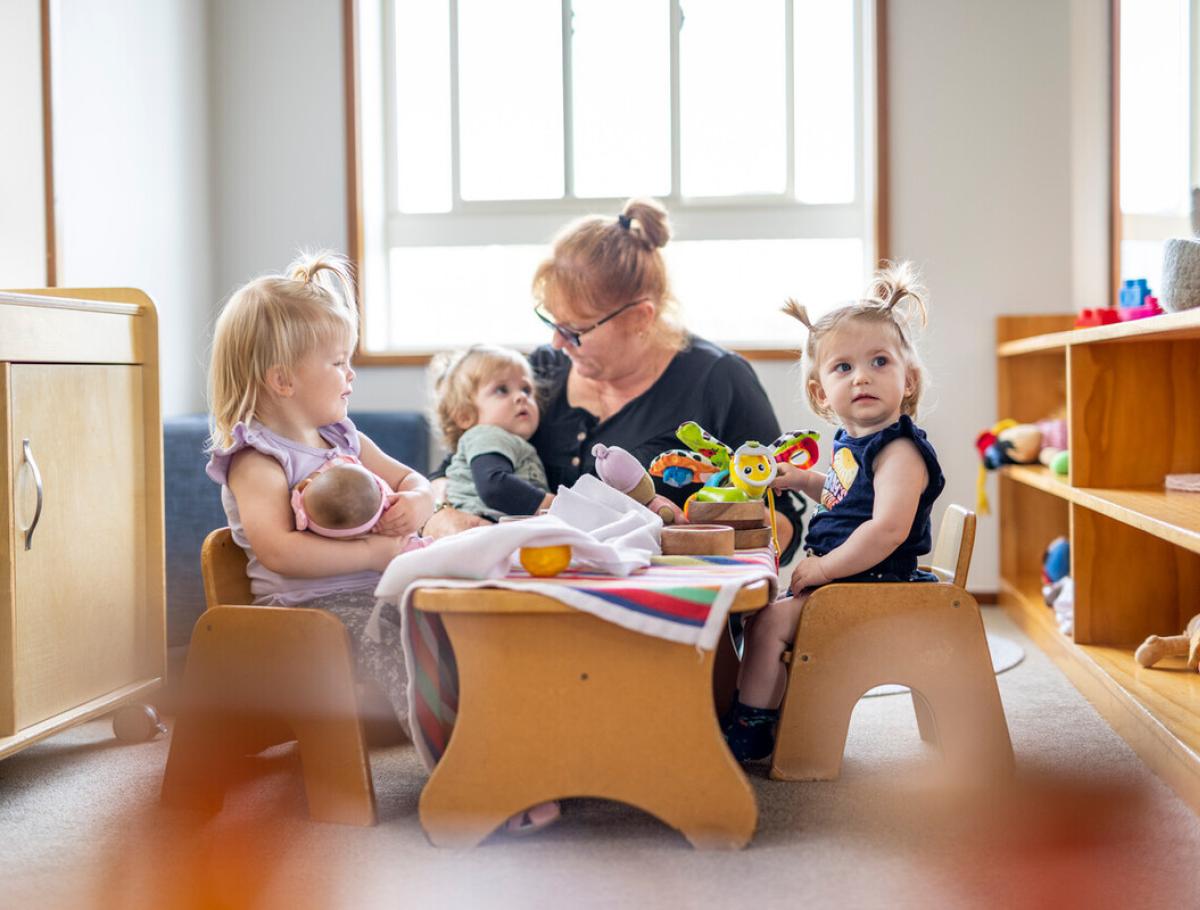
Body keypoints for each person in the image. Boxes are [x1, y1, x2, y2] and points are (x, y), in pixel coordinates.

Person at [422, 197, 802, 560]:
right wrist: (440, 513)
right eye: (552, 323)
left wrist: (688, 535)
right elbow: (454, 466)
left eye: (575, 331)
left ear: (640, 317)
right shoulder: (541, 373)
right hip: (538, 587)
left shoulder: (719, 381)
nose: (557, 342)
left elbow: (781, 520)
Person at [724, 262, 946, 762]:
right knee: (755, 614)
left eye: (879, 362)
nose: (862, 376)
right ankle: (764, 708)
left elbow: (886, 528)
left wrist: (823, 567)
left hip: (875, 586)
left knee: (767, 625)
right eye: (843, 367)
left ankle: (750, 728)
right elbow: (848, 500)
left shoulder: (900, 451)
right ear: (822, 392)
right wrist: (803, 480)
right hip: (856, 578)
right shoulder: (856, 443)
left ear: (908, 380)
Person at [206, 251, 433, 733]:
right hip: (302, 615)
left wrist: (417, 502)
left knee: (450, 612)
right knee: (392, 628)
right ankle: (452, 755)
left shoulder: (342, 437)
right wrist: (373, 552)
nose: (351, 375)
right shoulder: (259, 460)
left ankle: (492, 731)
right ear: (283, 380)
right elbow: (279, 551)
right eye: (338, 362)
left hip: (367, 590)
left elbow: (414, 480)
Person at [430, 344, 552, 521]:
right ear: (465, 416)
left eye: (526, 389)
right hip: (480, 527)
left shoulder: (506, 440)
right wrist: (552, 504)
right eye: (502, 390)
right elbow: (494, 486)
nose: (521, 396)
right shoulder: (487, 435)